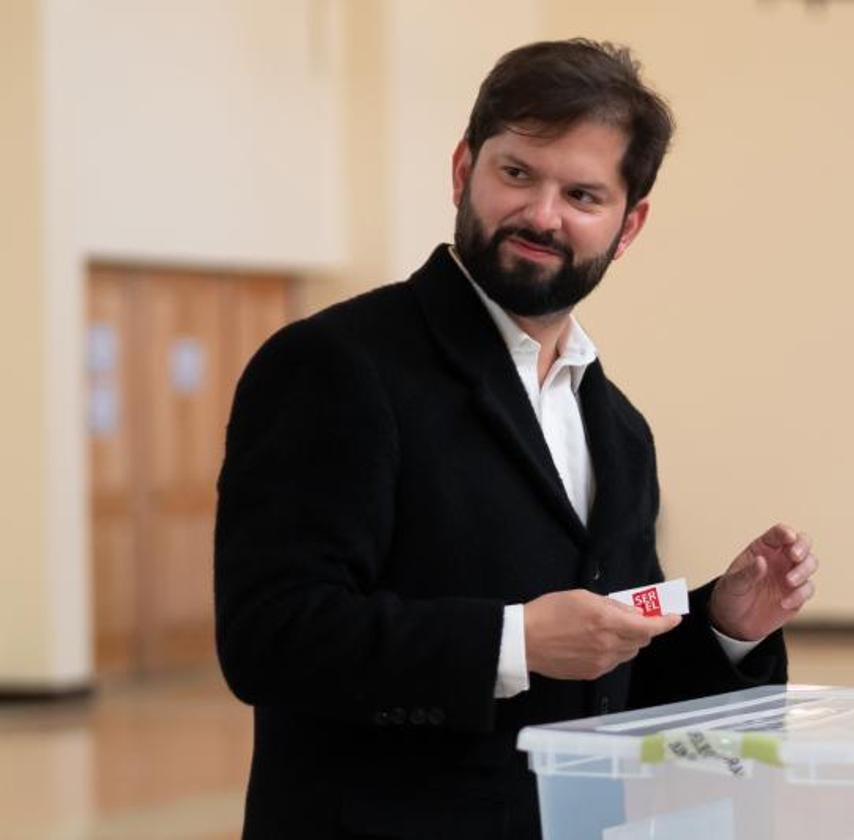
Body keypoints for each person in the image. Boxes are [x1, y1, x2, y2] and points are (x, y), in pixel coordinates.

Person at [214, 38, 819, 839]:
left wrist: (724, 625)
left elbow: (611, 677)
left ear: (628, 223)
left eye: (583, 194)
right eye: (517, 174)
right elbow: (271, 638)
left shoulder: (618, 428)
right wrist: (515, 640)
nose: (542, 215)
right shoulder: (334, 365)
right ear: (464, 168)